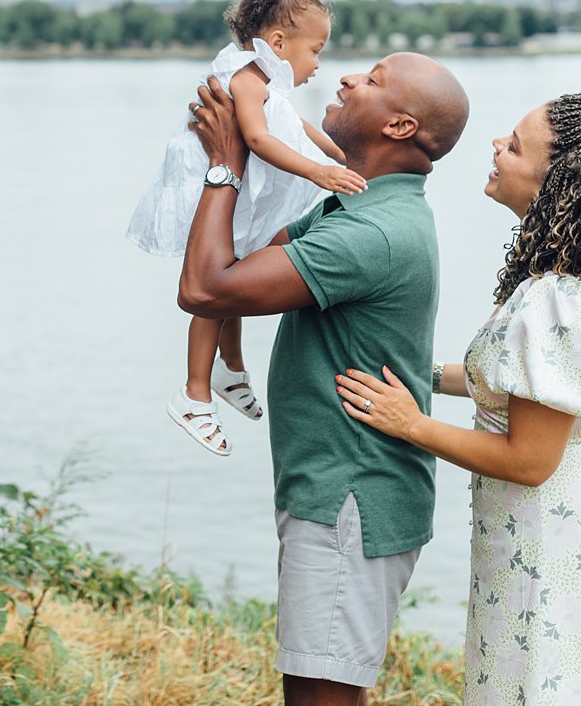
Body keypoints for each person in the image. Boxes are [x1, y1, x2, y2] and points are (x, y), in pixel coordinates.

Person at [333, 94, 581, 706]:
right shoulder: (571, 281)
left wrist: (409, 423)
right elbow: (525, 382)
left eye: (515, 146)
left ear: (560, 182)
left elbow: (528, 458)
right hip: (577, 514)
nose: (495, 145)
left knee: (537, 676)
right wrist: (424, 376)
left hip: (555, 529)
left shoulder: (557, 299)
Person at [179, 52, 470, 705]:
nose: (344, 78)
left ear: (399, 126)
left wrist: (224, 162)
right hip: (338, 491)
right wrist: (262, 144)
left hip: (349, 501)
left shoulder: (373, 233)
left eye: (370, 80)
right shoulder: (354, 207)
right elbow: (246, 259)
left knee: (319, 699)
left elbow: (205, 287)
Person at [127, 0, 367, 456]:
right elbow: (257, 140)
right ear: (278, 44)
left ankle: (228, 367)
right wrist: (319, 173)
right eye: (315, 50)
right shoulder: (244, 77)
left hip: (239, 194)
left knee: (234, 274)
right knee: (214, 294)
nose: (319, 64)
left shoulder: (263, 82)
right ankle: (194, 393)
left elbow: (297, 128)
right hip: (216, 186)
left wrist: (343, 157)